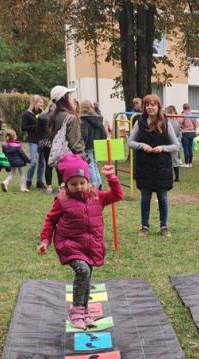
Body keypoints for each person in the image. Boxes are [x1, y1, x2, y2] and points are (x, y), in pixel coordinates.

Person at [38, 154, 124, 328]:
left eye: (82, 183)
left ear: (88, 181)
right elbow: (51, 220)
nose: (78, 187)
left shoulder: (97, 197)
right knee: (83, 271)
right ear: (66, 184)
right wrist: (45, 240)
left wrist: (111, 178)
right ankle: (76, 311)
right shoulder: (62, 200)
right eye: (73, 184)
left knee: (87, 277)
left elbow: (117, 195)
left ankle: (84, 311)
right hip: (69, 244)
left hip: (90, 245)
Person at [128, 94, 179, 237]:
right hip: (144, 167)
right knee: (145, 198)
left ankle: (164, 226)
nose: (150, 107)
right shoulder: (139, 123)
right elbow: (130, 142)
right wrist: (141, 145)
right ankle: (144, 226)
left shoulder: (166, 123)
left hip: (162, 167)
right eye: (147, 105)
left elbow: (176, 145)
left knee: (163, 198)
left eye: (153, 105)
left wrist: (163, 148)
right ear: (144, 107)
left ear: (158, 107)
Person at [48, 85, 85, 160]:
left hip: (59, 160)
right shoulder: (71, 118)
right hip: (72, 160)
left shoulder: (53, 116)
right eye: (70, 95)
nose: (73, 98)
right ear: (64, 98)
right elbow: (75, 145)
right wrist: (85, 159)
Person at [79, 99, 106, 189]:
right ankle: (99, 184)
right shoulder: (98, 118)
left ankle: (94, 185)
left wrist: (81, 146)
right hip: (97, 145)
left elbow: (84, 135)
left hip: (88, 145)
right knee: (94, 164)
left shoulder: (83, 120)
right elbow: (104, 133)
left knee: (90, 165)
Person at [21, 95, 46, 191]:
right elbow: (23, 127)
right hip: (33, 141)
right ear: (35, 103)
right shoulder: (27, 114)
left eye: (43, 103)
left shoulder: (43, 114)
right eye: (40, 102)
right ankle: (28, 181)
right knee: (34, 161)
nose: (42, 104)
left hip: (42, 140)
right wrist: (36, 126)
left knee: (42, 162)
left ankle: (39, 182)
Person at [36, 103, 56, 193]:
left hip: (46, 141)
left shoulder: (42, 117)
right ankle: (61, 186)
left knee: (48, 164)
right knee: (58, 165)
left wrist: (42, 139)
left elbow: (38, 131)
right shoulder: (59, 116)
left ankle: (49, 187)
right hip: (56, 142)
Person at [164, 105, 183, 182]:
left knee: (168, 160)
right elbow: (180, 132)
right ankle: (177, 177)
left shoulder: (167, 121)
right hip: (176, 142)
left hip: (169, 142)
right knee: (175, 160)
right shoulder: (177, 121)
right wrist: (178, 141)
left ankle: (170, 176)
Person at [178, 103, 197, 167]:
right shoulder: (192, 115)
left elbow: (179, 123)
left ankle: (186, 163)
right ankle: (190, 163)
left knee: (186, 148)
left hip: (185, 132)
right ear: (189, 108)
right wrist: (194, 130)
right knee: (190, 148)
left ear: (183, 108)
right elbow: (195, 124)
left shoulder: (183, 115)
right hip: (192, 132)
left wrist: (181, 127)